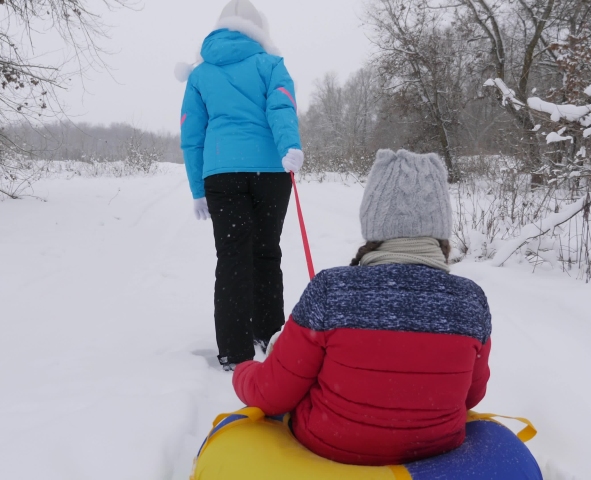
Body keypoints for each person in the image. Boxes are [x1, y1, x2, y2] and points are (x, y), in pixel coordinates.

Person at [232, 149, 493, 466]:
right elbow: (471, 396)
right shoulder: (471, 300)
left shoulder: (331, 289)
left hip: (333, 449)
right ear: (441, 227)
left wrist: (244, 371)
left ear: (373, 220)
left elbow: (272, 395)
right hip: (435, 450)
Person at [178, 0, 303, 371]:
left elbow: (191, 133)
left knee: (232, 257)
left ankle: (234, 351)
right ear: (259, 29)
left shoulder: (200, 75)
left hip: (221, 174)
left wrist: (197, 187)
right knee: (266, 252)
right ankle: (270, 334)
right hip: (271, 171)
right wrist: (289, 146)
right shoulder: (270, 64)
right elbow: (282, 108)